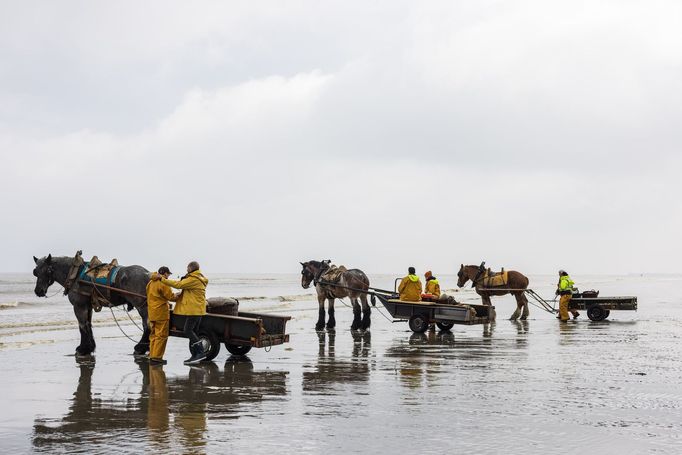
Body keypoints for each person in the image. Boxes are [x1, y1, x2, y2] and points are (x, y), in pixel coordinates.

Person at [156, 261, 209, 365]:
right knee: (194, 332)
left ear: (191, 268)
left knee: (188, 330)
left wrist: (162, 279)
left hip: (194, 310)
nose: (186, 269)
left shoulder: (194, 279)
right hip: (198, 309)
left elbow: (178, 284)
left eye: (187, 267)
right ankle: (195, 356)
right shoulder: (198, 278)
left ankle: (200, 352)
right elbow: (190, 291)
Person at [146, 266, 178, 364]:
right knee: (161, 335)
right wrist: (179, 295)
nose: (168, 276)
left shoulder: (150, 283)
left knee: (153, 335)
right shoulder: (164, 283)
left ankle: (151, 355)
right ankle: (157, 358)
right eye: (168, 274)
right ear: (164, 274)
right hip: (161, 313)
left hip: (152, 312)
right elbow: (171, 297)